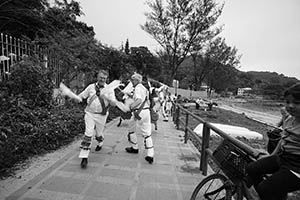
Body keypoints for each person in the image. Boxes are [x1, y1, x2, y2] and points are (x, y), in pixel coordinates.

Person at [246, 82, 300, 200]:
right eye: (287, 102)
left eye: (296, 103)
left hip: (296, 167)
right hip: (283, 158)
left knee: (265, 188)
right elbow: (283, 140)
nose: (290, 106)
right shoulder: (290, 119)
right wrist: (271, 155)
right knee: (252, 168)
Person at [77, 69, 111, 168]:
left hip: (102, 115)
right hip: (90, 114)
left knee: (98, 134)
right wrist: (77, 98)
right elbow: (82, 95)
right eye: (101, 77)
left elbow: (113, 102)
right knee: (88, 133)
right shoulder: (91, 87)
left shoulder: (109, 89)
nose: (102, 80)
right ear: (97, 77)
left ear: (106, 79)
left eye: (104, 78)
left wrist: (110, 99)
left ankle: (100, 141)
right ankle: (84, 157)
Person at [126, 72, 154, 164]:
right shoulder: (144, 88)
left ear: (137, 80)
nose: (131, 81)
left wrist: (130, 106)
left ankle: (135, 147)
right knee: (147, 133)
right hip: (146, 112)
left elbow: (139, 100)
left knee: (131, 128)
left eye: (132, 79)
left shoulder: (137, 88)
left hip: (138, 112)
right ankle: (150, 154)